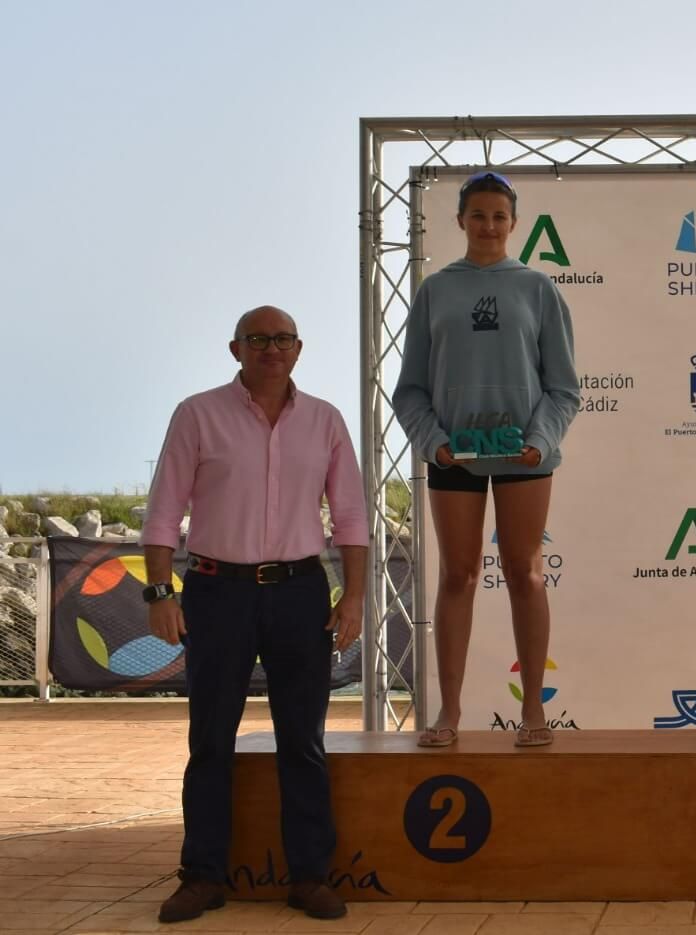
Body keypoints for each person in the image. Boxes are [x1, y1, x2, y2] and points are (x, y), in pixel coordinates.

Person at [143, 306, 368, 922]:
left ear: (299, 348)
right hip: (217, 593)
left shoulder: (325, 420)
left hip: (300, 594)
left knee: (304, 740)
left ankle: (310, 877)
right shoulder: (197, 414)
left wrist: (353, 596)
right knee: (210, 739)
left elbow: (350, 515)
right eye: (259, 339)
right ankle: (203, 877)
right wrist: (160, 593)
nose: (272, 349)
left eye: (283, 339)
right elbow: (163, 510)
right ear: (235, 349)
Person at [394, 170, 579, 747]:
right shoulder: (434, 290)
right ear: (460, 221)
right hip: (453, 456)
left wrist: (540, 441)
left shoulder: (538, 289)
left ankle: (534, 712)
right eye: (478, 215)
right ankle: (448, 712)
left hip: (526, 457)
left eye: (499, 216)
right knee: (458, 575)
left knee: (525, 573)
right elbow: (410, 390)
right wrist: (434, 443)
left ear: (514, 223)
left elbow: (563, 388)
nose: (489, 226)